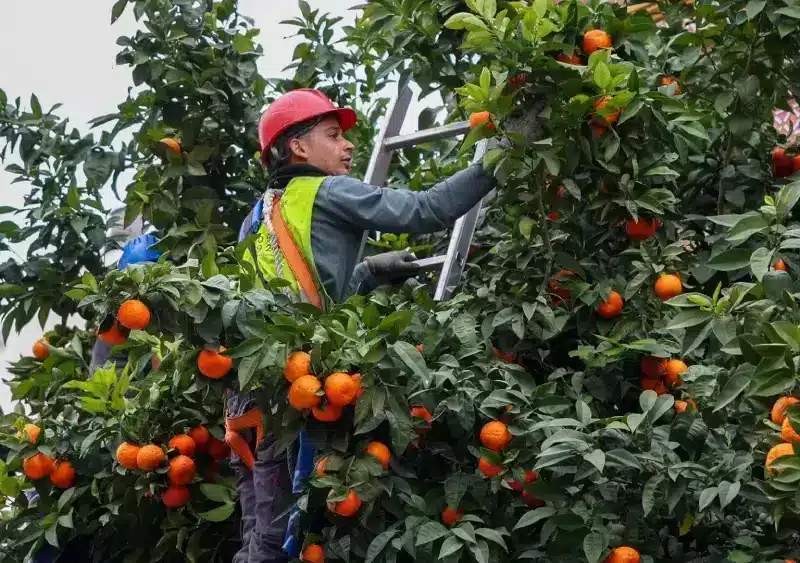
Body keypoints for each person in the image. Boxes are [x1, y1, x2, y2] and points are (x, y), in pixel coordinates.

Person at [228, 88, 498, 563]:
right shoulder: (327, 190)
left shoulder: (256, 217)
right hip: (289, 394)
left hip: (245, 393)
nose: (348, 146)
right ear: (298, 147)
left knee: (257, 535)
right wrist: (496, 163)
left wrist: (368, 273)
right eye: (333, 135)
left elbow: (303, 300)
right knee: (279, 542)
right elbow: (425, 210)